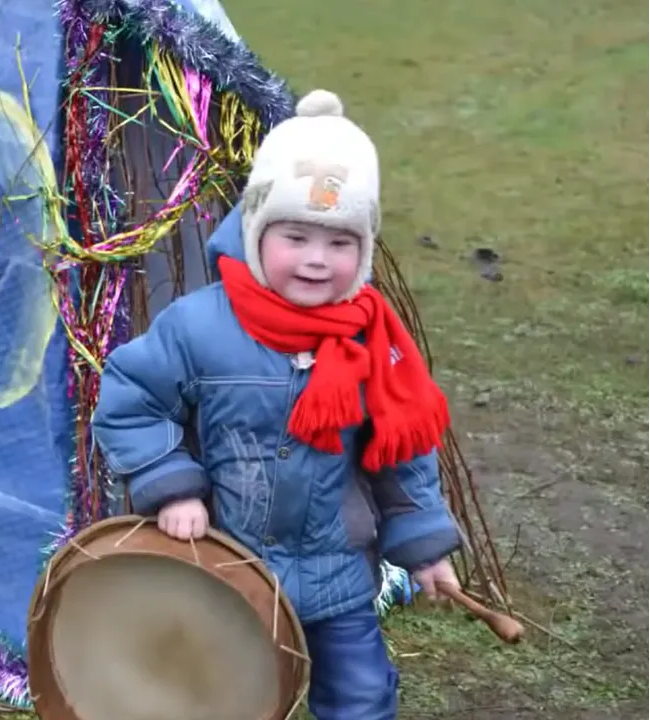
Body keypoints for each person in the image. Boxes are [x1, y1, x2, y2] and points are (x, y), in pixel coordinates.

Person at [91, 89, 462, 719]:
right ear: (257, 230)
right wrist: (173, 487)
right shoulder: (199, 329)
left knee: (361, 696)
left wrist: (424, 546)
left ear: (364, 252)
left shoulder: (370, 342)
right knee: (216, 692)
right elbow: (131, 402)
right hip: (223, 565)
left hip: (336, 572)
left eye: (340, 243)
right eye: (296, 236)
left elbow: (403, 456)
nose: (317, 259)